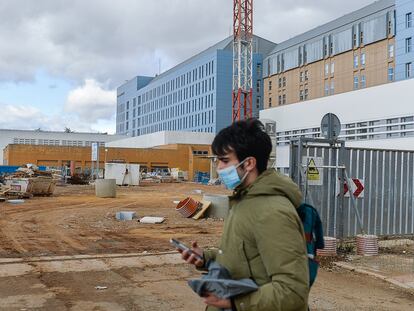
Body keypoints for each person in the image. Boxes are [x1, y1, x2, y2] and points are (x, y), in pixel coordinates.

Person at [180, 119, 309, 311]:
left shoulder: (272, 212)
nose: (218, 168)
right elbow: (247, 257)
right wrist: (205, 258)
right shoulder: (244, 200)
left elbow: (293, 292)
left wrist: (235, 303)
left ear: (248, 163)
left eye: (224, 161)